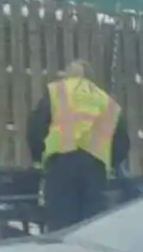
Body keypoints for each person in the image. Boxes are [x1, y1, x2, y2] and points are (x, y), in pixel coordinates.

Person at [25, 60, 131, 232]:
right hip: (94, 169)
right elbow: (122, 142)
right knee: (90, 228)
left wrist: (39, 158)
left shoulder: (57, 91)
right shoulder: (106, 101)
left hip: (61, 165)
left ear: (67, 75)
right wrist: (108, 164)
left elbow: (36, 127)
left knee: (61, 226)